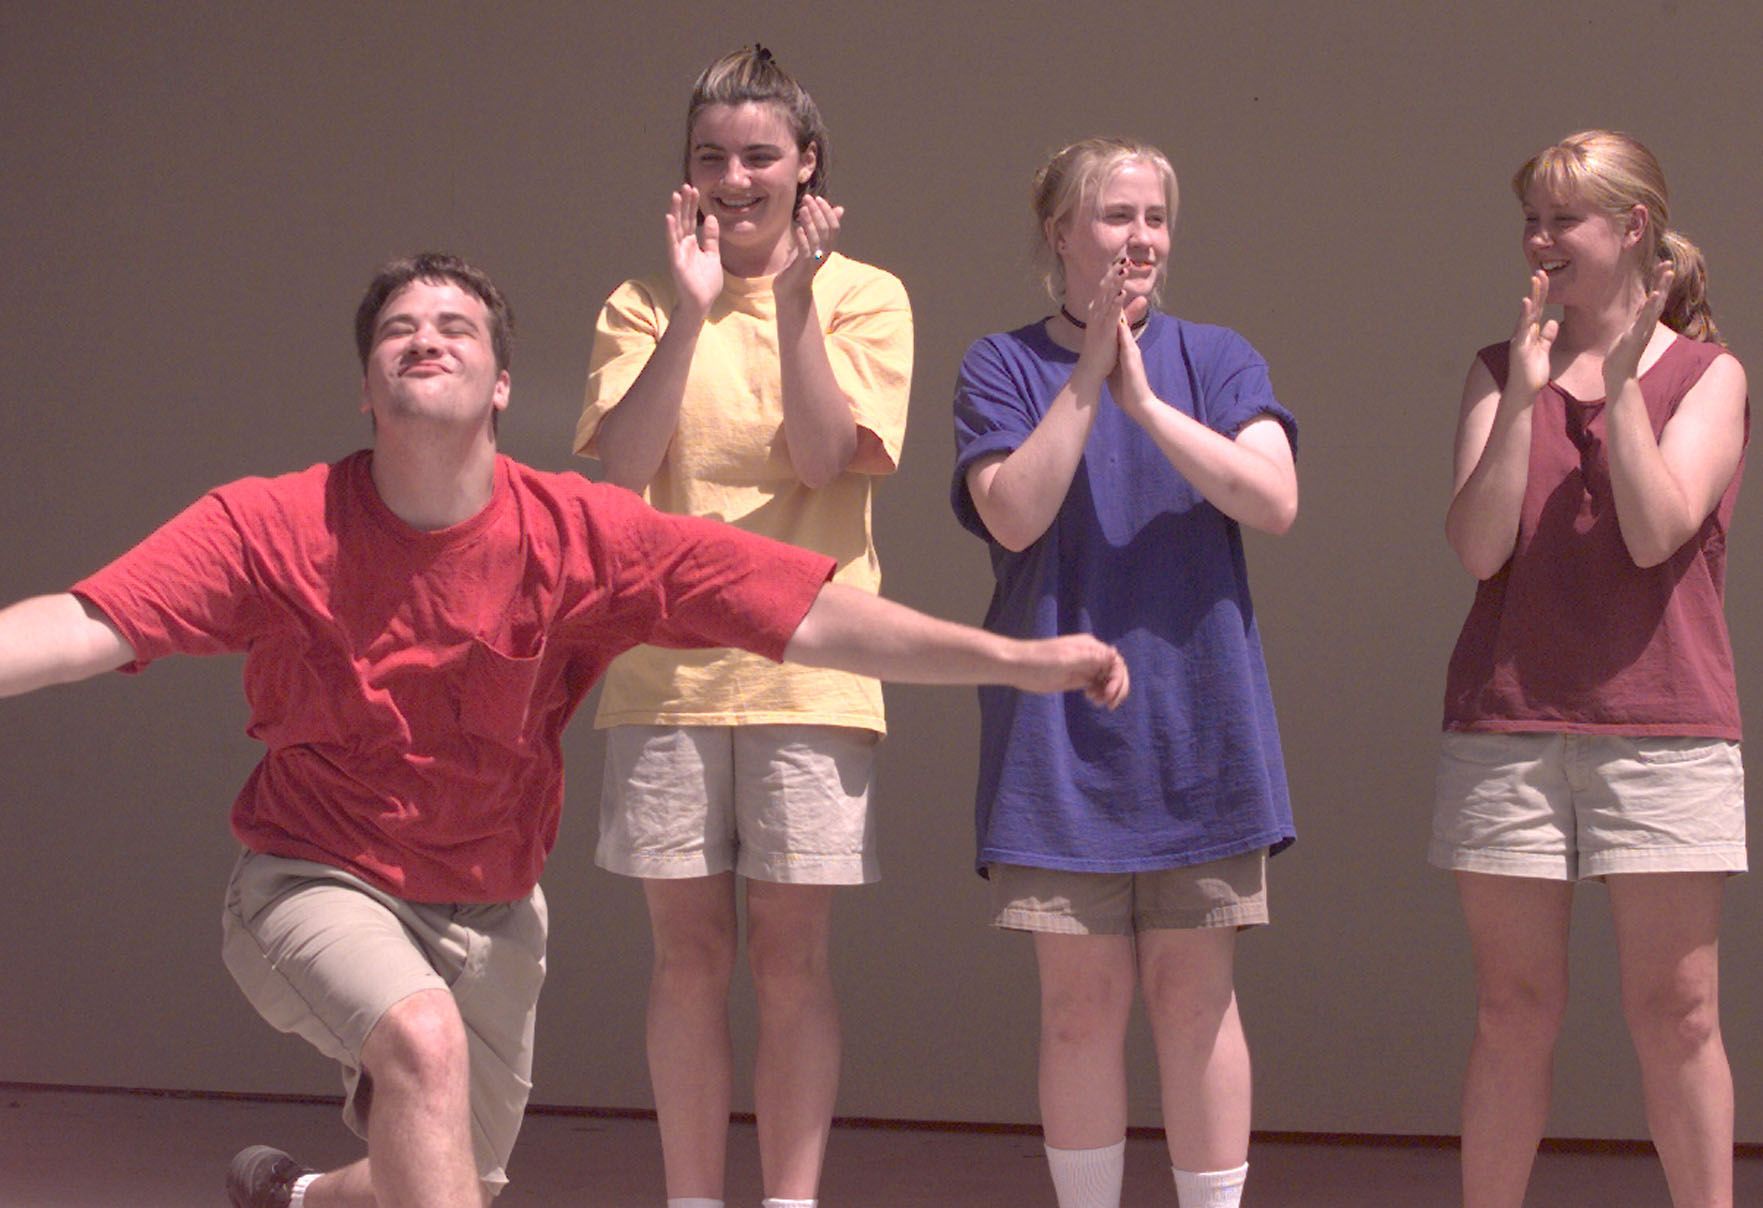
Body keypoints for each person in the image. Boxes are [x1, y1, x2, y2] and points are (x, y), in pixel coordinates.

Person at [0, 252, 1126, 1208]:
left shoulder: (582, 536)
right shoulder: (271, 524)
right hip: (311, 878)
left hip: (491, 911)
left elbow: (806, 611)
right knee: (422, 1045)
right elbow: (86, 623)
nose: (424, 338)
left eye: (454, 327)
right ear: (365, 385)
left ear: (500, 383)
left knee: (440, 1171)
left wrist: (1013, 660)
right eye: (398, 329)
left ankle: (297, 1196)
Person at [573, 45, 911, 1208]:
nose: (733, 178)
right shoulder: (640, 300)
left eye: (759, 154)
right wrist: (691, 309)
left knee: (788, 956)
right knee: (686, 956)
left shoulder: (863, 295)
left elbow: (821, 457)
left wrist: (795, 305)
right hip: (664, 676)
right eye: (709, 156)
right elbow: (620, 473)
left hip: (808, 674)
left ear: (806, 164)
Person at [950, 136, 1298, 1208]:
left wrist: (1146, 405)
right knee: (1077, 1010)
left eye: (1154, 217)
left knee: (1195, 1003)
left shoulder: (1218, 359)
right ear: (1059, 232)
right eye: (1114, 215)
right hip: (1057, 744)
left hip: (1200, 725)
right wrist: (1090, 376)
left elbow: (1273, 499)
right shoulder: (1000, 365)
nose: (1138, 238)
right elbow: (1012, 514)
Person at [1436, 129, 1748, 1208]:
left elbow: (1656, 530)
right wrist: (1526, 398)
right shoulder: (1498, 368)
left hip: (1663, 728)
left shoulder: (1707, 374)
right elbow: (1477, 547)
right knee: (1510, 1011)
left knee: (1679, 1013)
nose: (1538, 238)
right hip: (1507, 725)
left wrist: (1618, 387)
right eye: (1529, 218)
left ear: (1630, 227)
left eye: (1561, 218)